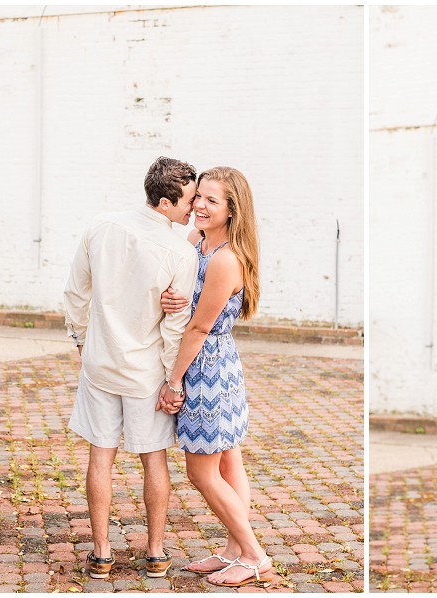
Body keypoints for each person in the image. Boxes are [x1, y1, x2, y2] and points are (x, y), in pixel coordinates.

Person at [63, 156, 200, 579]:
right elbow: (176, 327)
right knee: (153, 460)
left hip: (100, 364)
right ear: (164, 202)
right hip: (146, 374)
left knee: (100, 457)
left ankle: (101, 554)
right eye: (189, 201)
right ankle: (156, 553)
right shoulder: (180, 251)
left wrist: (83, 341)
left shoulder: (100, 226)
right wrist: (172, 381)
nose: (193, 208)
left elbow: (74, 293)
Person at [158, 166, 272, 588]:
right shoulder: (200, 242)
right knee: (227, 460)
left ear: (232, 209)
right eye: (198, 197)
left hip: (207, 369)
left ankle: (255, 555)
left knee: (201, 472)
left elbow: (199, 327)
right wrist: (173, 297)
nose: (199, 206)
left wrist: (173, 382)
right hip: (214, 362)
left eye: (211, 200)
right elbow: (180, 291)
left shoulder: (226, 259)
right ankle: (234, 550)